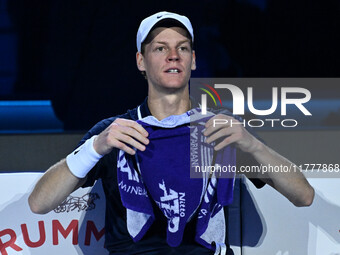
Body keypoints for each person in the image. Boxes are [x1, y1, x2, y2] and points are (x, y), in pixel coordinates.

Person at [28, 11, 314, 255]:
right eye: (160, 48)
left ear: (193, 60)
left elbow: (303, 195)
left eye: (183, 48)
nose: (173, 56)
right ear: (141, 61)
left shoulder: (222, 129)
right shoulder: (114, 132)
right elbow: (39, 203)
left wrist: (252, 145)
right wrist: (95, 147)